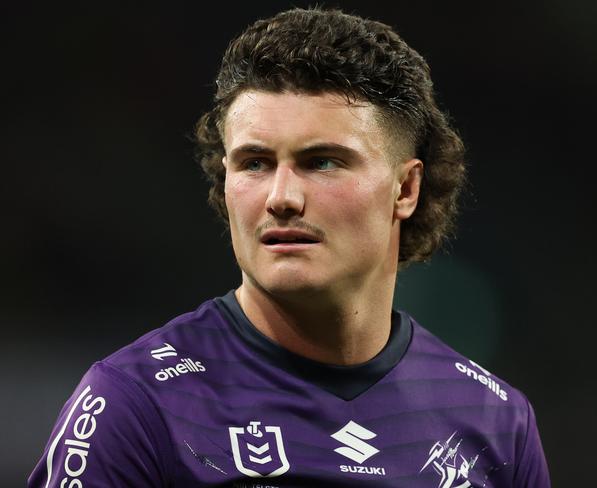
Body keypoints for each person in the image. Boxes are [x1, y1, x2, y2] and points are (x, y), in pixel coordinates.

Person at [29, 7, 550, 487]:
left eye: (321, 161)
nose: (281, 197)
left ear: (405, 189)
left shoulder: (496, 422)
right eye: (254, 162)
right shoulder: (137, 404)